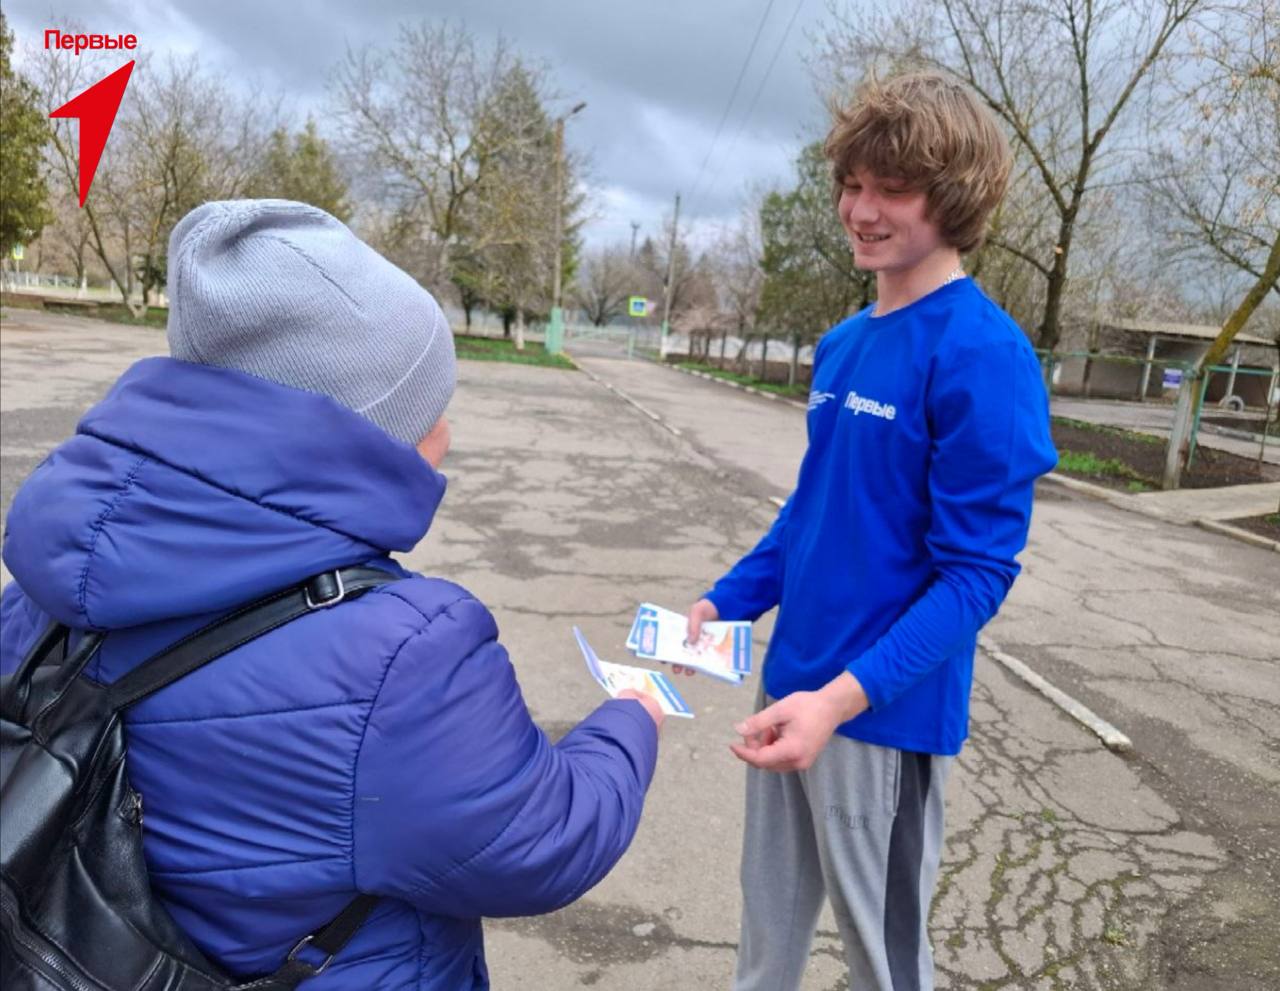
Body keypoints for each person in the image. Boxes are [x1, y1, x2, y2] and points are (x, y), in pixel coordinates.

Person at [0, 199, 664, 989]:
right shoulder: (403, 657)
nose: (444, 430)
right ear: (362, 427)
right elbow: (544, 841)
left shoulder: (44, 574)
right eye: (425, 404)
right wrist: (634, 717)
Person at [686, 73, 1058, 991]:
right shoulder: (847, 340)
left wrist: (840, 702)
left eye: (891, 188)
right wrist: (725, 600)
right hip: (789, 686)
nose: (861, 208)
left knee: (882, 961)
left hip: (878, 717)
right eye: (853, 183)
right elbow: (814, 510)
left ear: (954, 196)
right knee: (765, 941)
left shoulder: (985, 354)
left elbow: (976, 578)